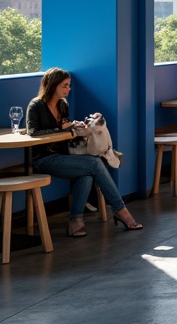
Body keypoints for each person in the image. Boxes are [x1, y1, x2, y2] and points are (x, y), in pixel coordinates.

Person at [25, 68, 143, 237]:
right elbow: (33, 133)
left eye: (69, 85)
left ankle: (75, 221)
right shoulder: (36, 105)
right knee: (94, 163)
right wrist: (61, 129)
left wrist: (79, 125)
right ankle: (120, 210)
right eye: (65, 86)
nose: (69, 89)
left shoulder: (62, 104)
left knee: (86, 175)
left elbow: (65, 131)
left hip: (65, 155)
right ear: (52, 85)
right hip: (43, 159)